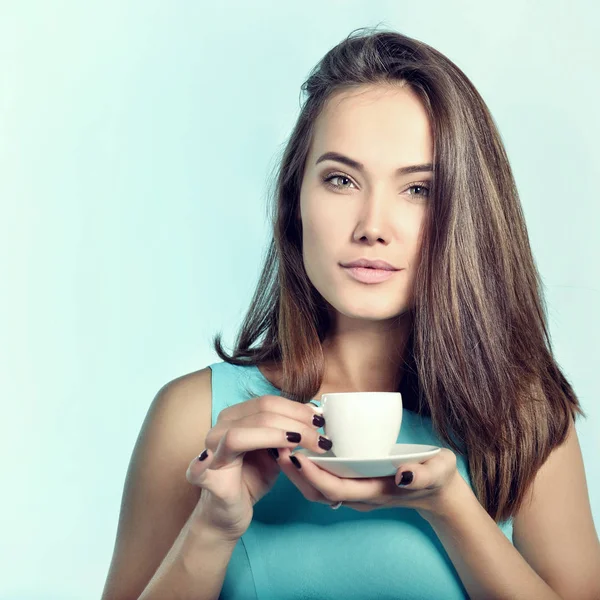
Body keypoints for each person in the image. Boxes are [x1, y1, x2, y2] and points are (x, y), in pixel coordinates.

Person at [101, 26, 600, 600]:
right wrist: (211, 528)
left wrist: (452, 508)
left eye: (419, 190)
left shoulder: (523, 421)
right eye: (341, 180)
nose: (372, 227)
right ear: (295, 203)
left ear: (467, 216)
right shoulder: (195, 420)